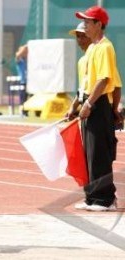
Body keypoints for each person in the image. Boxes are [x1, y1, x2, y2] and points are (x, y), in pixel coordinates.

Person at [72, 6, 122, 211]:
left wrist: (88, 104)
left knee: (99, 153)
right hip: (89, 102)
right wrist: (77, 103)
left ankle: (105, 199)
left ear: (98, 24)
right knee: (90, 153)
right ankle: (92, 196)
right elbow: (87, 81)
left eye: (87, 22)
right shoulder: (92, 48)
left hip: (98, 104)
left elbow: (104, 80)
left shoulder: (105, 47)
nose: (84, 25)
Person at [66, 22, 92, 120]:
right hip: (86, 109)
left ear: (91, 36)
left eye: (83, 36)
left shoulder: (98, 56)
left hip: (97, 108)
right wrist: (73, 107)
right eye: (78, 36)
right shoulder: (81, 61)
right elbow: (82, 89)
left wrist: (115, 107)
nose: (80, 40)